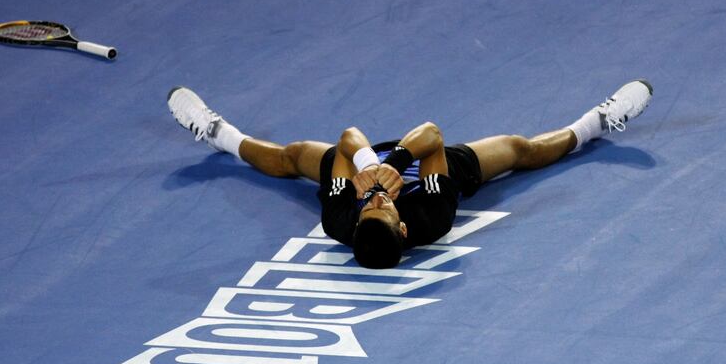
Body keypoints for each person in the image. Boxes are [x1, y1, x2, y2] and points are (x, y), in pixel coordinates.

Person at [166, 80, 653, 268]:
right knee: (519, 150)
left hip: (372, 162)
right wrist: (401, 166)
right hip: (431, 171)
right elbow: (434, 136)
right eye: (380, 208)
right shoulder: (431, 217)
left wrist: (371, 168)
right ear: (401, 227)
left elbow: (347, 137)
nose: (374, 201)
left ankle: (218, 133)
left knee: (292, 156)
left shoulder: (342, 219)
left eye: (368, 210)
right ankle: (595, 124)